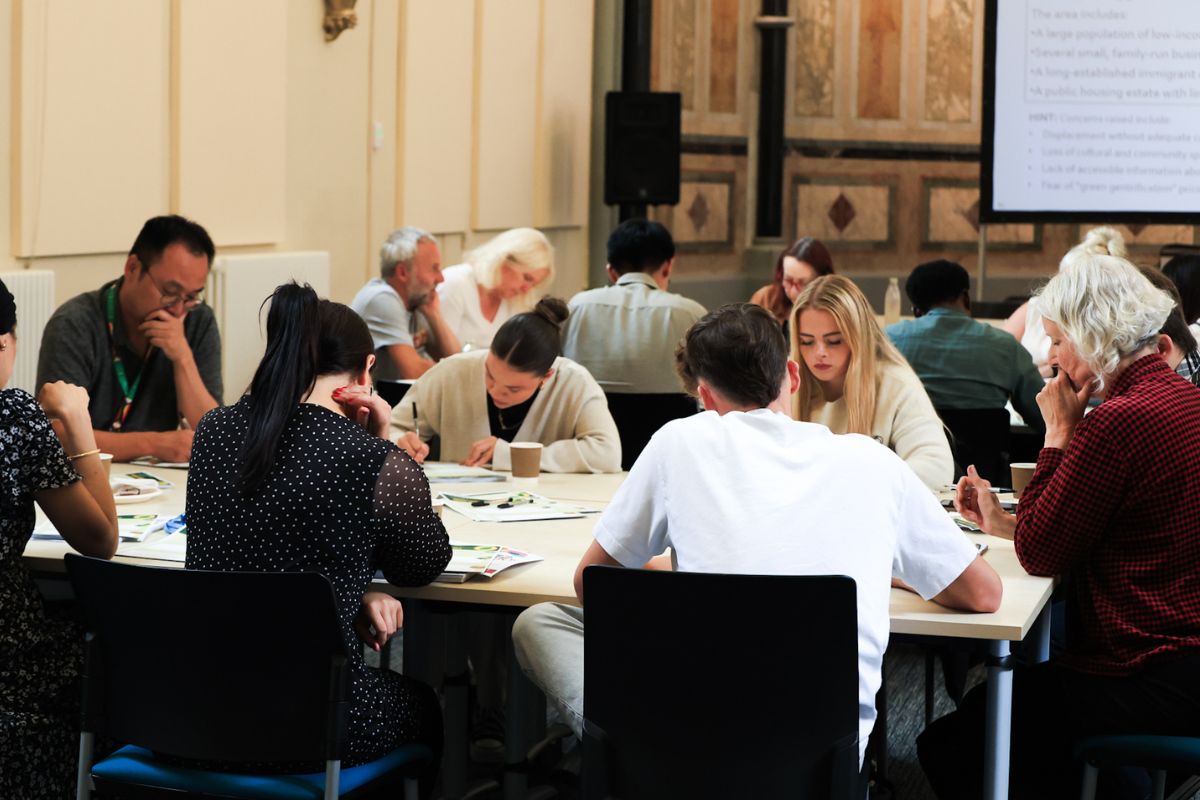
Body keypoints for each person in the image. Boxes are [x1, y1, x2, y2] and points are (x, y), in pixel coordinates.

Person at [510, 303, 1001, 771]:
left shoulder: (679, 442)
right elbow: (984, 593)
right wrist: (887, 574)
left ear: (704, 398)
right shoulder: (874, 463)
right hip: (822, 758)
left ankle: (625, 750)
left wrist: (682, 573)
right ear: (791, 374)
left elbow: (592, 583)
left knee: (541, 622)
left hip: (688, 744)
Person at [917, 237, 1200, 799]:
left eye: (1058, 339)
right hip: (1183, 658)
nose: (1050, 357)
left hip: (1146, 668)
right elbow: (1070, 531)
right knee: (1001, 712)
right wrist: (1003, 523)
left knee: (959, 737)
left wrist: (1057, 434)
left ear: (1096, 336)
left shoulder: (1117, 422)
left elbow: (1043, 552)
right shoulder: (1181, 398)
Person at [185, 283, 452, 783]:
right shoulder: (371, 458)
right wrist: (382, 443)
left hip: (192, 713)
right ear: (366, 371)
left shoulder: (214, 431)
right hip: (318, 722)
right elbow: (420, 567)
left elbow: (265, 543)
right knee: (423, 703)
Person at [0, 277, 119, 799]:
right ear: (7, 341)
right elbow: (100, 539)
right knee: (121, 651)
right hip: (14, 662)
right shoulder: (13, 418)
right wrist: (78, 423)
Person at [36, 214, 222, 463]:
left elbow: (217, 435)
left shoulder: (197, 320)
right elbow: (55, 433)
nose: (178, 310)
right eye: (170, 292)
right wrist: (153, 443)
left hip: (160, 482)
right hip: (88, 475)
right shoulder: (75, 323)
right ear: (133, 267)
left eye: (191, 297)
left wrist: (183, 358)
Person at [392, 297, 621, 474]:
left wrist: (511, 455)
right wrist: (399, 442)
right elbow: (390, 428)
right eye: (490, 374)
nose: (495, 391)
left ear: (547, 376)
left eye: (514, 389)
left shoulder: (574, 383)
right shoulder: (452, 372)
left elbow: (607, 453)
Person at [790, 274, 953, 491]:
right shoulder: (786, 382)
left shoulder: (895, 384)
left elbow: (935, 468)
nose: (819, 353)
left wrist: (861, 486)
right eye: (806, 342)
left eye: (834, 341)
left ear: (858, 337)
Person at [886, 259, 1045, 432]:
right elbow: (1043, 414)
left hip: (909, 456)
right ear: (966, 298)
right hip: (985, 457)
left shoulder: (889, 340)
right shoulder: (1006, 346)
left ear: (917, 311)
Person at [561, 219, 705, 393]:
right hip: (671, 419)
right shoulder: (691, 313)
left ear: (611, 272)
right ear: (667, 267)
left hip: (586, 419)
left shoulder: (577, 307)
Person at [1003, 226, 1128, 376]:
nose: (1058, 287)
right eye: (1060, 277)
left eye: (1069, 283)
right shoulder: (1035, 308)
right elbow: (995, 352)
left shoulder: (1106, 323)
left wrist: (1049, 372)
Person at [350, 227, 462, 380]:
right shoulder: (382, 299)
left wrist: (434, 315)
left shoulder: (417, 302)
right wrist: (455, 371)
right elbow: (414, 372)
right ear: (402, 272)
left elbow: (455, 359)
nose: (441, 278)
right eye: (434, 268)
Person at [436, 227, 554, 350]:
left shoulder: (515, 301)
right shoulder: (455, 283)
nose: (526, 289)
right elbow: (440, 355)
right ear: (504, 260)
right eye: (526, 278)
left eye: (533, 285)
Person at [749, 236, 834, 328]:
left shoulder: (837, 308)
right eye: (788, 280)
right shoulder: (765, 299)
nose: (793, 291)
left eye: (802, 283)